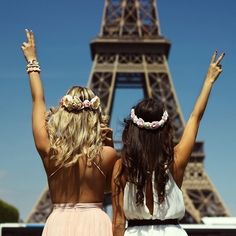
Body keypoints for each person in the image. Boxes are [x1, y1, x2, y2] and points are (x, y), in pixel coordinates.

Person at [112, 51, 225, 236]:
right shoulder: (175, 160)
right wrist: (208, 82)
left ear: (132, 129)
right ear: (164, 128)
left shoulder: (121, 167)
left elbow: (117, 222)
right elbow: (195, 118)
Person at [21, 29, 117, 236]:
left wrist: (32, 61)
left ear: (64, 113)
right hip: (96, 224)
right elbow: (111, 188)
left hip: (59, 223)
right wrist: (109, 143)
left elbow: (38, 99)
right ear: (95, 116)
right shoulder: (107, 155)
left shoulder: (49, 150)